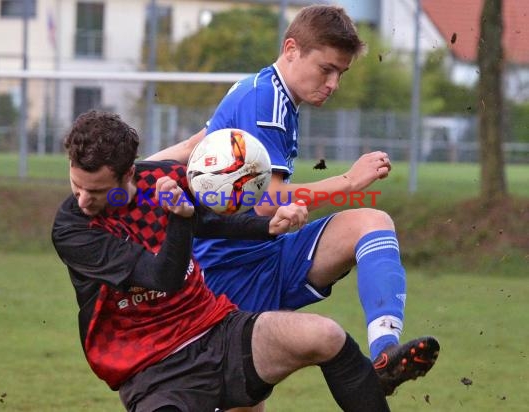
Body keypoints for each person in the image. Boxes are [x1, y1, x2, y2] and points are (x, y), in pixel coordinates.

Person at [147, 5, 440, 410]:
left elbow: (193, 147)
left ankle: (384, 356)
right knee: (242, 403)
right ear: (291, 49)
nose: (334, 83)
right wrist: (349, 182)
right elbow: (267, 201)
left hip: (265, 256)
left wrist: (129, 175)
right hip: (228, 277)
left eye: (341, 73)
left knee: (371, 223)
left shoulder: (263, 93)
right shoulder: (266, 100)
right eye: (326, 69)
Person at [51, 110, 393, 412]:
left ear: (128, 173)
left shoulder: (160, 179)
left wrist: (267, 225)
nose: (82, 199)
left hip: (216, 330)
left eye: (95, 191)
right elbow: (162, 277)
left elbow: (209, 220)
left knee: (325, 335)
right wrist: (180, 217)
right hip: (152, 368)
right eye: (77, 185)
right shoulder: (74, 228)